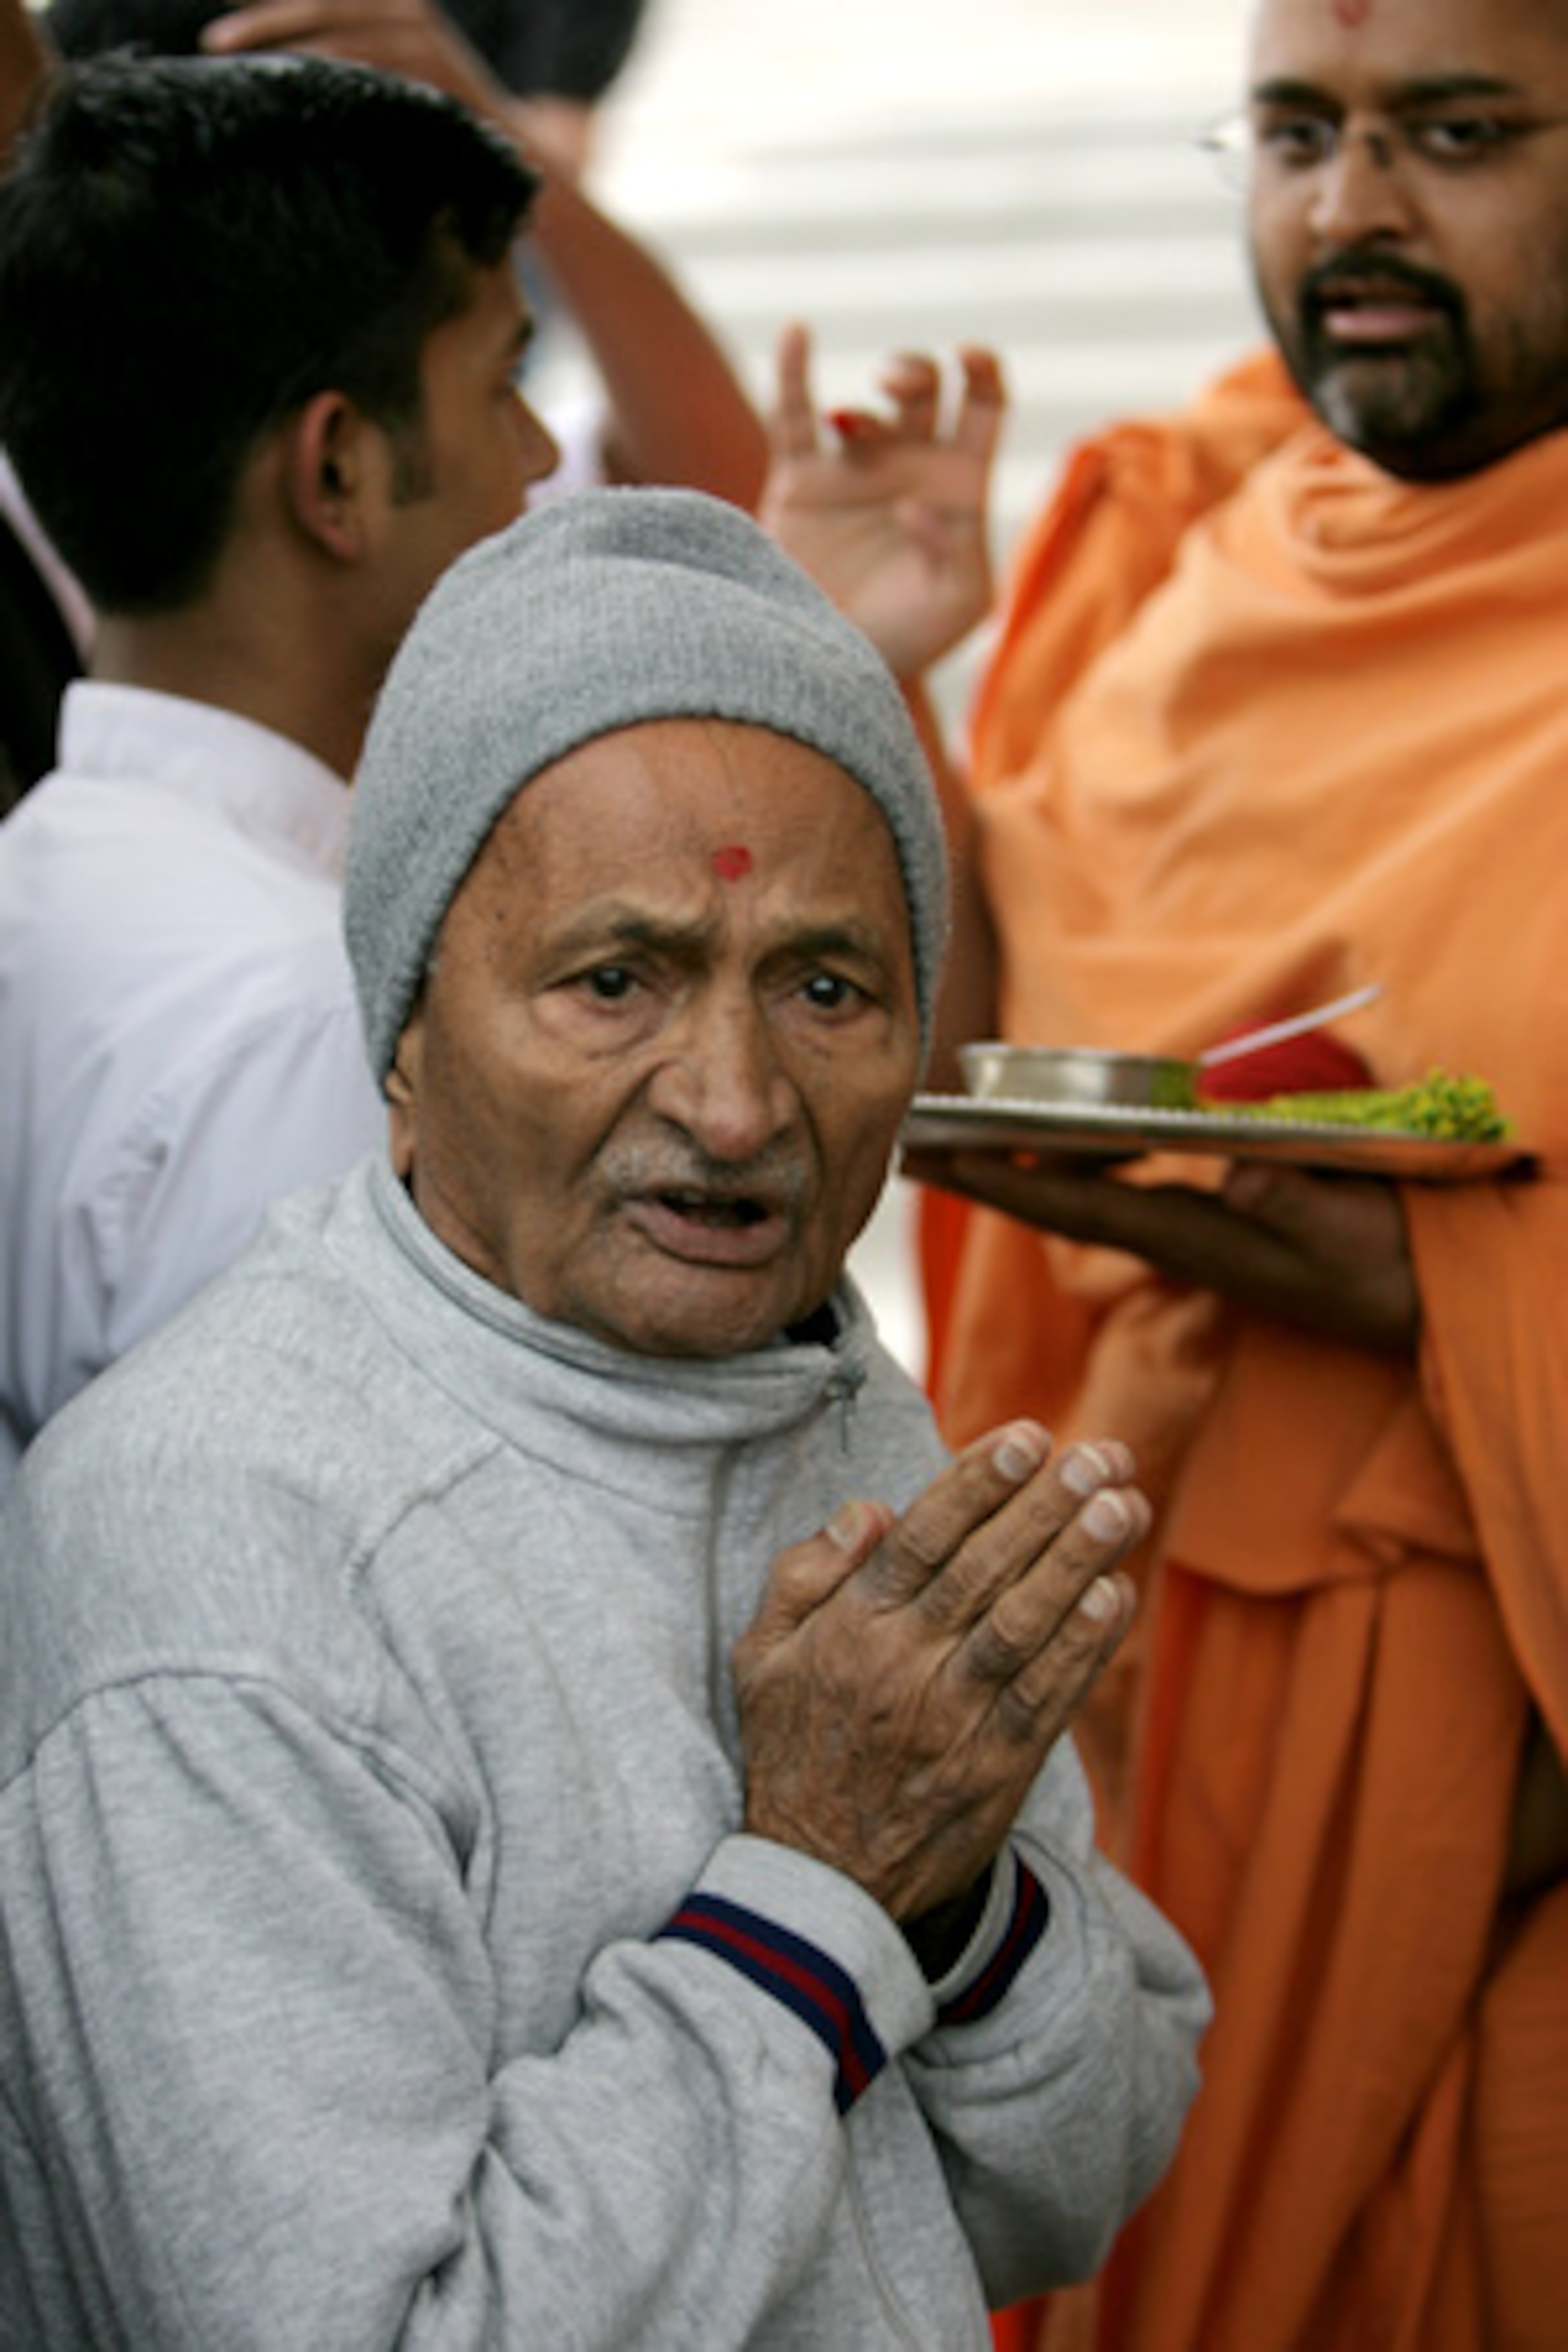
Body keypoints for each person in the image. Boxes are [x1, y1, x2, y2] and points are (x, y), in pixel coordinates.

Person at [0, 486, 1209, 2345]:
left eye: (826, 989)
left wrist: (955, 1906)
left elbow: (1075, 2188)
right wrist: (817, 1892)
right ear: (403, 1027)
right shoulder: (218, 1543)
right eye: (614, 981)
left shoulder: (833, 1408)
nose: (735, 1105)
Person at [759, 0, 1568, 2344]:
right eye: (1302, 134)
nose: (1354, 214)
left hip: (1486, 1761)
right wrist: (885, 665)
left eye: (1459, 135)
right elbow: (1024, 1041)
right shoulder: (1202, 528)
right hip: (1143, 1665)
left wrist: (1424, 1301)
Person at [0, 53, 563, 1489]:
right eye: (503, 383)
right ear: (336, 475)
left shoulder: (53, 872)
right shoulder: (307, 1021)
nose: (547, 455)